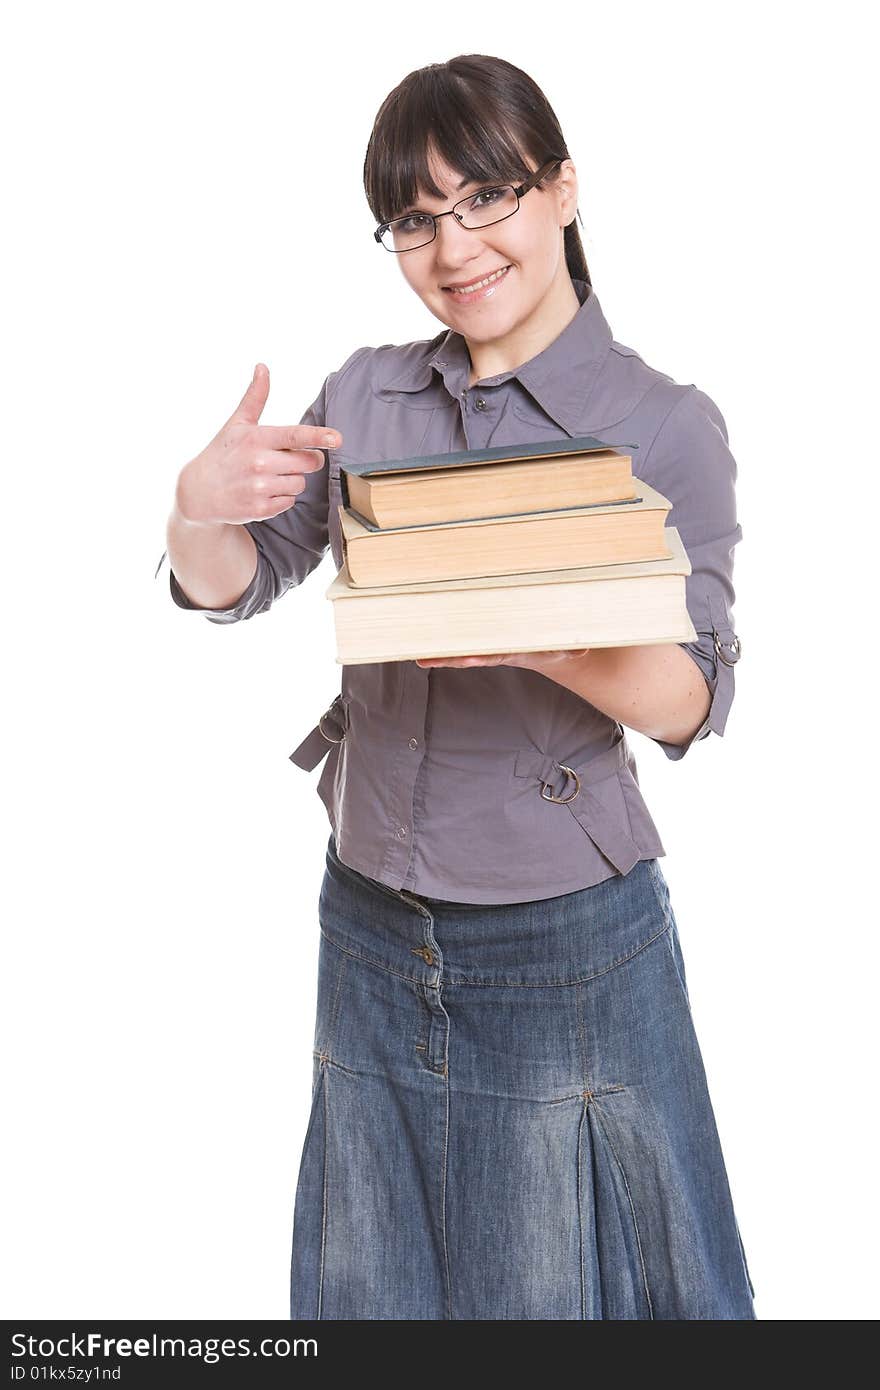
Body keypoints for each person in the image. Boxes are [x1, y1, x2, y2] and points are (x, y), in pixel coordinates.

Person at [155, 54, 754, 1320]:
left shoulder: (664, 424)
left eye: (486, 197)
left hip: (569, 944)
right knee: (377, 1290)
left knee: (562, 1294)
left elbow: (695, 696)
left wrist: (539, 629)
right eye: (416, 219)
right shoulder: (367, 395)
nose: (455, 246)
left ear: (563, 190)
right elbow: (242, 578)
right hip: (366, 922)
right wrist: (192, 514)